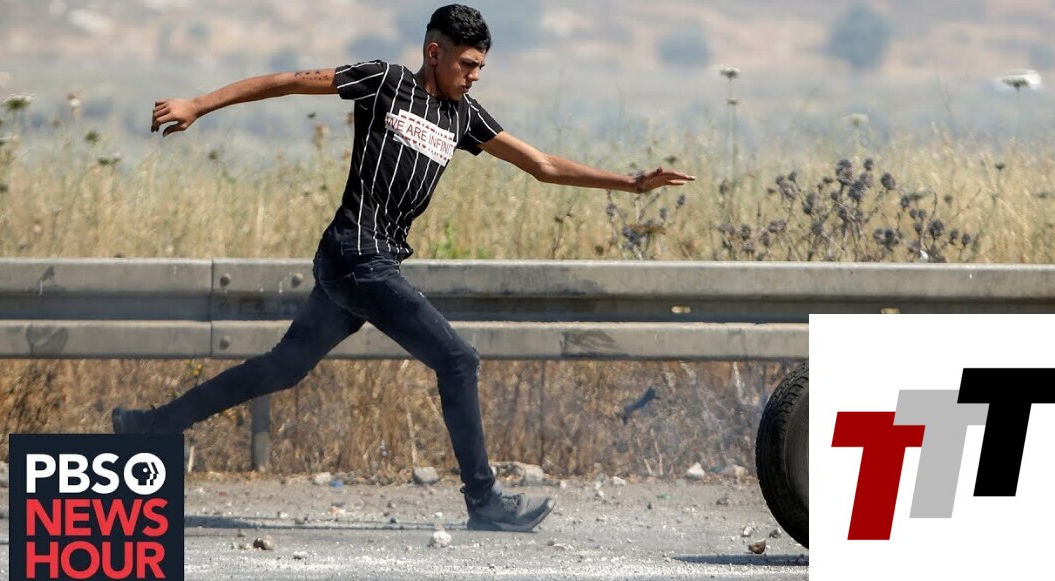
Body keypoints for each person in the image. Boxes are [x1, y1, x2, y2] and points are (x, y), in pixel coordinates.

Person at [113, 4, 694, 532]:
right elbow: (288, 80)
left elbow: (542, 164)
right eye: (467, 64)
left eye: (481, 67)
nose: (474, 75)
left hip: (368, 264)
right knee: (458, 359)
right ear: (434, 52)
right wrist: (198, 105)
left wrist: (632, 183)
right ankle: (484, 500)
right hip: (354, 255)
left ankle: (150, 426)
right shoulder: (384, 82)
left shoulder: (463, 116)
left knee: (283, 368)